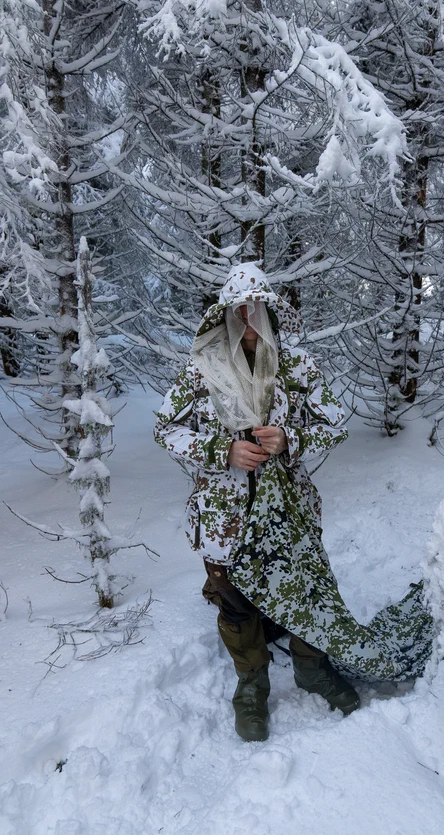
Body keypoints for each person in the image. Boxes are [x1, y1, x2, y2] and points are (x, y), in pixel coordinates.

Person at [154, 263, 360, 742]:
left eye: (257, 308)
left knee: (304, 586)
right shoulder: (201, 369)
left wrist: (290, 438)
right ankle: (252, 684)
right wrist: (220, 450)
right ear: (224, 315)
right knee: (237, 603)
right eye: (238, 309)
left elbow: (336, 424)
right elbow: (165, 428)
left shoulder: (296, 365)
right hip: (225, 514)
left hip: (289, 509)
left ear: (271, 310)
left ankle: (312, 668)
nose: (248, 319)